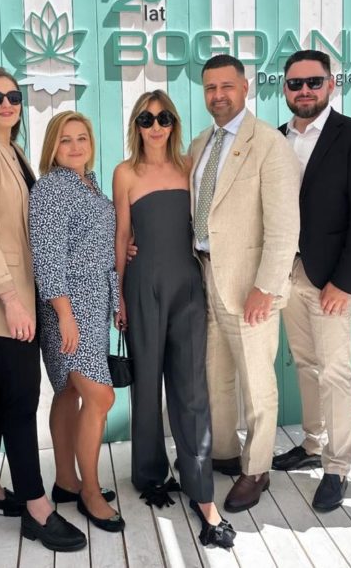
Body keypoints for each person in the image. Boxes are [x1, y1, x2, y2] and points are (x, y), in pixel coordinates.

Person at [0, 67, 86, 552]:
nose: (7, 103)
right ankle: (36, 506)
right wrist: (9, 299)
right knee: (22, 398)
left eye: (13, 96)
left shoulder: (12, 151)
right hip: (0, 298)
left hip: (18, 294)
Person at [113, 90, 236, 548]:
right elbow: (122, 235)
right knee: (146, 385)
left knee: (191, 389)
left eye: (163, 118)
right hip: (142, 286)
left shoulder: (189, 166)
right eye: (146, 119)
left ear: (173, 123)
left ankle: (200, 486)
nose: (156, 126)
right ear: (136, 126)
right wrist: (118, 297)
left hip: (187, 286)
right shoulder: (125, 173)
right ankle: (149, 474)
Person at [272, 50, 351, 511]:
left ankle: (337, 466)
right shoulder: (276, 138)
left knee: (335, 371)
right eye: (295, 83)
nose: (304, 91)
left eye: (313, 82)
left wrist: (346, 281)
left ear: (331, 85)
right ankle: (313, 443)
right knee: (305, 362)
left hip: (331, 279)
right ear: (284, 89)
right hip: (286, 272)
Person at [191, 54, 300, 513]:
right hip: (204, 275)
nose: (218, 95)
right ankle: (224, 453)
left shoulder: (270, 144)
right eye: (210, 88)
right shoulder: (200, 143)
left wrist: (267, 286)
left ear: (245, 88)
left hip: (249, 284)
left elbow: (284, 227)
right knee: (215, 376)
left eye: (226, 86)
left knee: (257, 383)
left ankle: (256, 469)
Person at [29, 111, 125, 533]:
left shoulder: (90, 184)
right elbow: (47, 256)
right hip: (67, 305)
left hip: (95, 301)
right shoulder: (51, 187)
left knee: (69, 391)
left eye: (81, 137)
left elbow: (97, 244)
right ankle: (89, 491)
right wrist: (65, 313)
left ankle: (66, 482)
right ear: (52, 146)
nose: (74, 146)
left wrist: (116, 294)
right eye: (65, 139)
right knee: (100, 397)